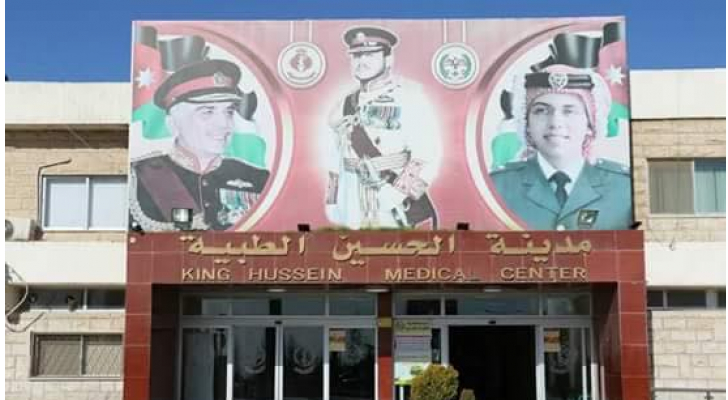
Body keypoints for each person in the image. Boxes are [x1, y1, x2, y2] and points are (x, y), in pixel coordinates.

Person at [129, 59, 270, 231]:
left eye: (229, 111)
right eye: (207, 112)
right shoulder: (140, 176)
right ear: (173, 124)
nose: (224, 124)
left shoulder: (258, 179)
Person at [325, 26, 441, 229]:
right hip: (351, 198)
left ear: (388, 59)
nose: (361, 62)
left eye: (370, 55)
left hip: (390, 195)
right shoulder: (343, 104)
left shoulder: (409, 98)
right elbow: (335, 156)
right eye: (357, 56)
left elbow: (426, 153)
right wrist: (332, 199)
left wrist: (397, 193)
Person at [489, 65, 631, 230]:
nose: (555, 123)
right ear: (526, 124)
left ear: (590, 124)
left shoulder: (624, 187)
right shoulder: (497, 186)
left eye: (569, 111)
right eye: (541, 111)